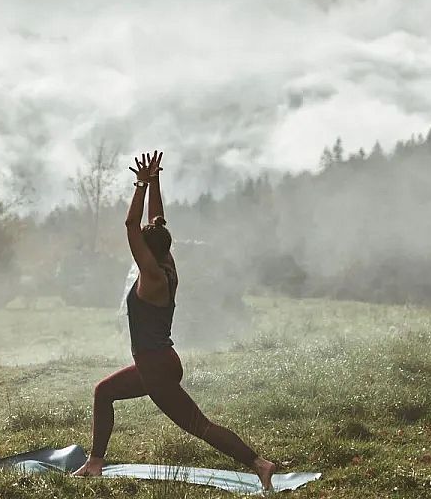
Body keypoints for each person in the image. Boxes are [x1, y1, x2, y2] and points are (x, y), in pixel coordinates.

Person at [72, 151, 279, 491]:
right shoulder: (166, 263)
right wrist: (154, 182)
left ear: (146, 253)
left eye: (142, 243)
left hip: (157, 370)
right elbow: (156, 223)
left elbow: (131, 226)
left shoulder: (151, 276)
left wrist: (139, 184)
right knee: (104, 391)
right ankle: (95, 462)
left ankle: (260, 464)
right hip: (159, 362)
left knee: (200, 426)